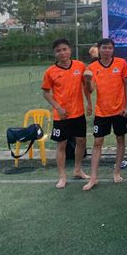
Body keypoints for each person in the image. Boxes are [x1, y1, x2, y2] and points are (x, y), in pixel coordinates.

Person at [41, 38, 92, 189]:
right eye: (58, 50)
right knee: (61, 144)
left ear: (70, 50)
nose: (62, 52)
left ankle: (78, 170)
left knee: (81, 141)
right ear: (55, 53)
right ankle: (62, 176)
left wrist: (89, 103)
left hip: (78, 113)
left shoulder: (80, 66)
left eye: (64, 49)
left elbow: (86, 88)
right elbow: (46, 93)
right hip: (61, 116)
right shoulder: (50, 72)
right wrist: (58, 107)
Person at [82, 38, 127, 191]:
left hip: (119, 111)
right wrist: (88, 81)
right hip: (102, 112)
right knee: (97, 143)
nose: (107, 50)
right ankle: (93, 178)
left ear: (113, 49)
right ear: (99, 49)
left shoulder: (121, 63)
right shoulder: (92, 67)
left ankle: (116, 172)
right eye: (104, 47)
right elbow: (90, 90)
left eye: (110, 48)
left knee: (120, 140)